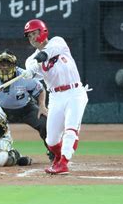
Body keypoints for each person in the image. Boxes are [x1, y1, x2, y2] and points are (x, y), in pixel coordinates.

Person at [21, 19, 89, 175]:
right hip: (56, 96)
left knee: (71, 129)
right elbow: (33, 69)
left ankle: (64, 163)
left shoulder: (58, 42)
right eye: (29, 35)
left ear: (43, 31)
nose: (32, 38)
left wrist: (35, 63)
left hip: (75, 92)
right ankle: (58, 158)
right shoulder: (30, 60)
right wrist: (29, 71)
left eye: (34, 33)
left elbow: (47, 53)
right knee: (51, 140)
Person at [0, 50, 53, 160]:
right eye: (1, 64)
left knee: (44, 123)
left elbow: (40, 90)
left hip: (26, 109)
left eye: (8, 64)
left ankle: (53, 151)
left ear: (14, 65)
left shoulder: (25, 76)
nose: (4, 67)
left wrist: (42, 107)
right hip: (0, 110)